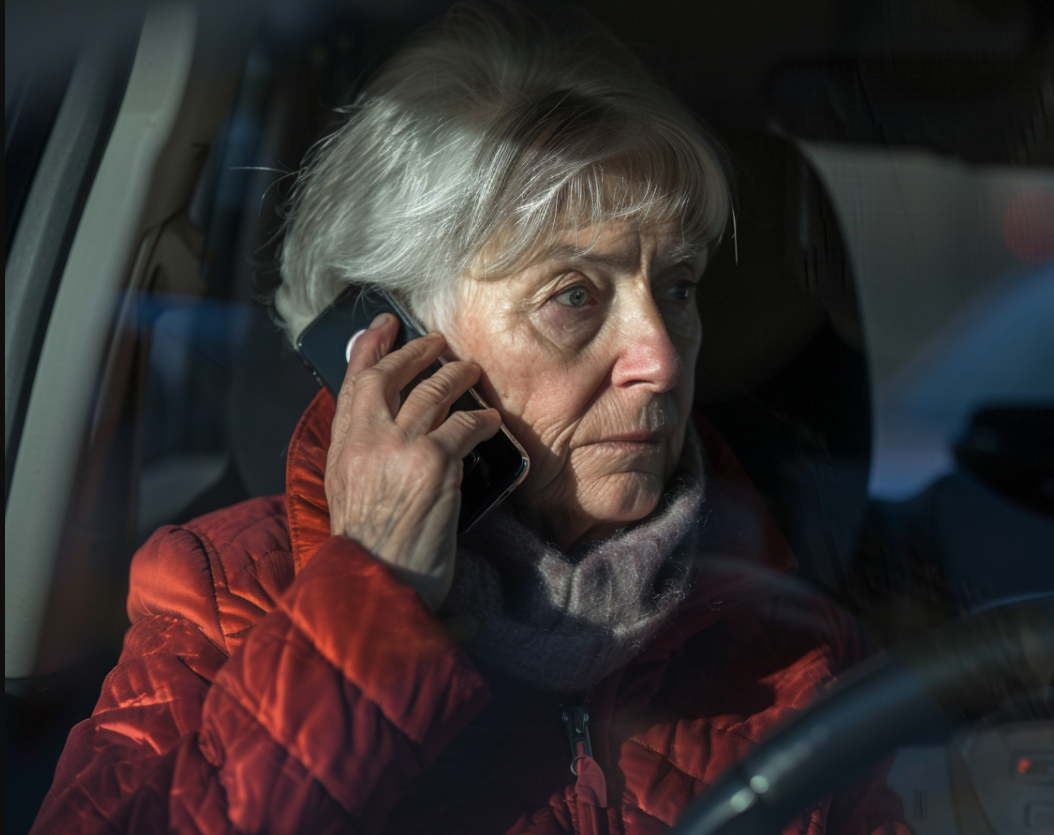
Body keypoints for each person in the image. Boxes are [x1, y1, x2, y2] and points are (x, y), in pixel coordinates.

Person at [34, 3, 909, 833]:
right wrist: (369, 597)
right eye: (572, 295)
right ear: (396, 339)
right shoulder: (222, 597)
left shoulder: (793, 641)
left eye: (677, 288)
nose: (665, 358)